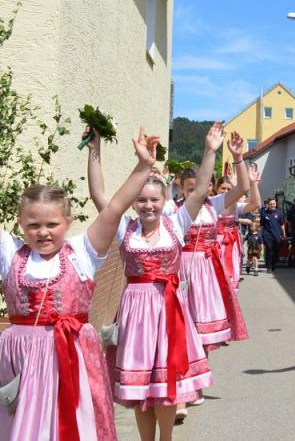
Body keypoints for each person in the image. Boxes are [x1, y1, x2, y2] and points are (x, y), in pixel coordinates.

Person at [0, 126, 164, 440]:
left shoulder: (81, 253)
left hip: (71, 357)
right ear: (20, 224)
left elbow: (115, 207)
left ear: (68, 223)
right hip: (19, 359)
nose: (43, 232)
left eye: (52, 224)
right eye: (33, 225)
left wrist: (143, 167)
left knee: (74, 425)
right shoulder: (10, 254)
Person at [87, 124, 224, 441]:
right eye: (141, 200)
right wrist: (95, 150)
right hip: (135, 315)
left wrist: (210, 151)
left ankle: (166, 438)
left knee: (166, 385)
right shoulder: (125, 228)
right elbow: (99, 196)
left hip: (168, 313)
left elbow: (201, 190)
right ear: (134, 202)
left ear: (165, 200)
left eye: (154, 200)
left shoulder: (176, 223)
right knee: (140, 388)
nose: (148, 206)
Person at [173, 133, 250, 352]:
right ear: (181, 189)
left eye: (201, 188)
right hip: (181, 269)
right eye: (190, 189)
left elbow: (243, 188)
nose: (196, 193)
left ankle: (201, 370)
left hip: (206, 271)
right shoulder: (173, 209)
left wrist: (238, 156)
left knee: (204, 332)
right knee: (182, 327)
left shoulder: (212, 205)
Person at [259, 198, 284, 273]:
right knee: (269, 249)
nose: (272, 205)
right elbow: (261, 226)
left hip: (276, 234)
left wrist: (284, 234)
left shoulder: (279, 213)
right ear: (268, 205)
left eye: (274, 204)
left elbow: (282, 225)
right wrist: (260, 234)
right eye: (271, 204)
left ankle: (273, 264)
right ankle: (269, 267)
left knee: (276, 250)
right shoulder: (264, 213)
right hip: (267, 234)